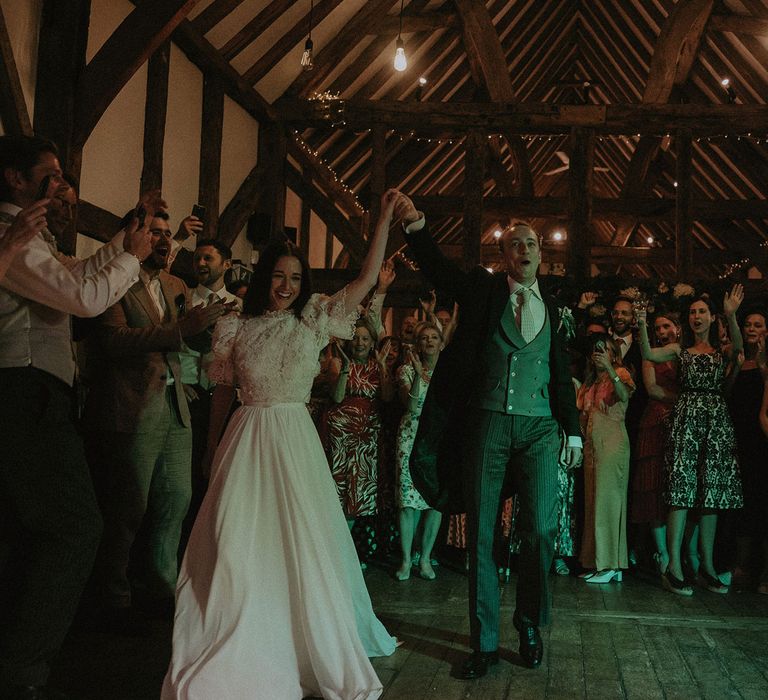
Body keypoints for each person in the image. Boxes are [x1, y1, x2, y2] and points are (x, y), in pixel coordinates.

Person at [161, 190, 402, 700]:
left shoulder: (314, 318)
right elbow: (224, 392)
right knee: (237, 540)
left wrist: (381, 219)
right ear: (263, 276)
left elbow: (362, 281)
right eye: (278, 276)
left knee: (300, 539)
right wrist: (210, 448)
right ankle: (238, 629)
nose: (286, 287)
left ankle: (304, 633)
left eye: (295, 278)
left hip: (294, 440)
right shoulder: (235, 326)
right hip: (245, 438)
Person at [0, 134, 154, 699]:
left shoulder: (31, 240)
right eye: (53, 173)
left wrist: (125, 241)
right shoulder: (8, 237)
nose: (65, 184)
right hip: (23, 392)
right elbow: (83, 297)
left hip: (37, 395)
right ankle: (21, 671)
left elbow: (79, 273)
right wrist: (133, 255)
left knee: (28, 532)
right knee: (75, 528)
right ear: (16, 179)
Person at [402, 211, 581, 677]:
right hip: (488, 423)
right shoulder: (484, 292)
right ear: (503, 256)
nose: (523, 250)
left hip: (541, 429)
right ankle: (483, 643)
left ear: (542, 254)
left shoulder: (555, 308)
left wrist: (573, 429)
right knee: (482, 534)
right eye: (514, 244)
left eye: (531, 244)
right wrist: (419, 227)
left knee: (540, 530)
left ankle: (529, 624)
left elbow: (560, 374)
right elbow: (439, 271)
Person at [83, 211, 227, 627]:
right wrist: (181, 329)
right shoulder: (115, 281)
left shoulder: (175, 284)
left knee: (176, 503)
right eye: (156, 233)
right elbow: (111, 340)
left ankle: (161, 590)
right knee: (127, 509)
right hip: (130, 406)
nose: (165, 240)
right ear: (137, 236)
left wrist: (208, 326)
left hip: (174, 407)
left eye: (168, 234)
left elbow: (189, 340)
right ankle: (113, 598)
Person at [637, 287, 744, 596]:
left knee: (711, 497)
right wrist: (643, 321)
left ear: (712, 317)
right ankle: (674, 568)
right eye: (693, 312)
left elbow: (739, 349)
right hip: (685, 420)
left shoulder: (720, 351)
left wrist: (733, 314)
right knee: (681, 493)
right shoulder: (678, 350)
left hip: (716, 423)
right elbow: (647, 353)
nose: (697, 316)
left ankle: (707, 568)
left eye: (702, 312)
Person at [577, 335, 634, 583]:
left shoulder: (620, 373)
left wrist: (611, 369)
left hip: (612, 443)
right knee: (593, 502)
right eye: (595, 349)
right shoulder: (590, 382)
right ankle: (596, 560)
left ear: (613, 354)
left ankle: (611, 563)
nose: (598, 353)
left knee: (608, 502)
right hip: (593, 445)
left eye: (604, 350)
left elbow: (623, 395)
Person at [631, 311, 680, 574]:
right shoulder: (651, 357)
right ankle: (661, 551)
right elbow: (652, 389)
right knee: (653, 484)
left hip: (681, 422)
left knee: (676, 487)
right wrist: (687, 399)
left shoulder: (684, 353)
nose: (662, 332)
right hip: (656, 420)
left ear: (678, 328)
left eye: (666, 327)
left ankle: (679, 552)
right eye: (658, 328)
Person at [394, 323, 443, 581]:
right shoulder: (404, 370)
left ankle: (424, 558)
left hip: (437, 440)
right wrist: (416, 374)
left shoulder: (448, 374)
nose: (430, 341)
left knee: (434, 502)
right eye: (424, 337)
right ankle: (405, 560)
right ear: (418, 345)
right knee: (407, 501)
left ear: (441, 343)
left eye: (434, 337)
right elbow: (411, 406)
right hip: (410, 437)